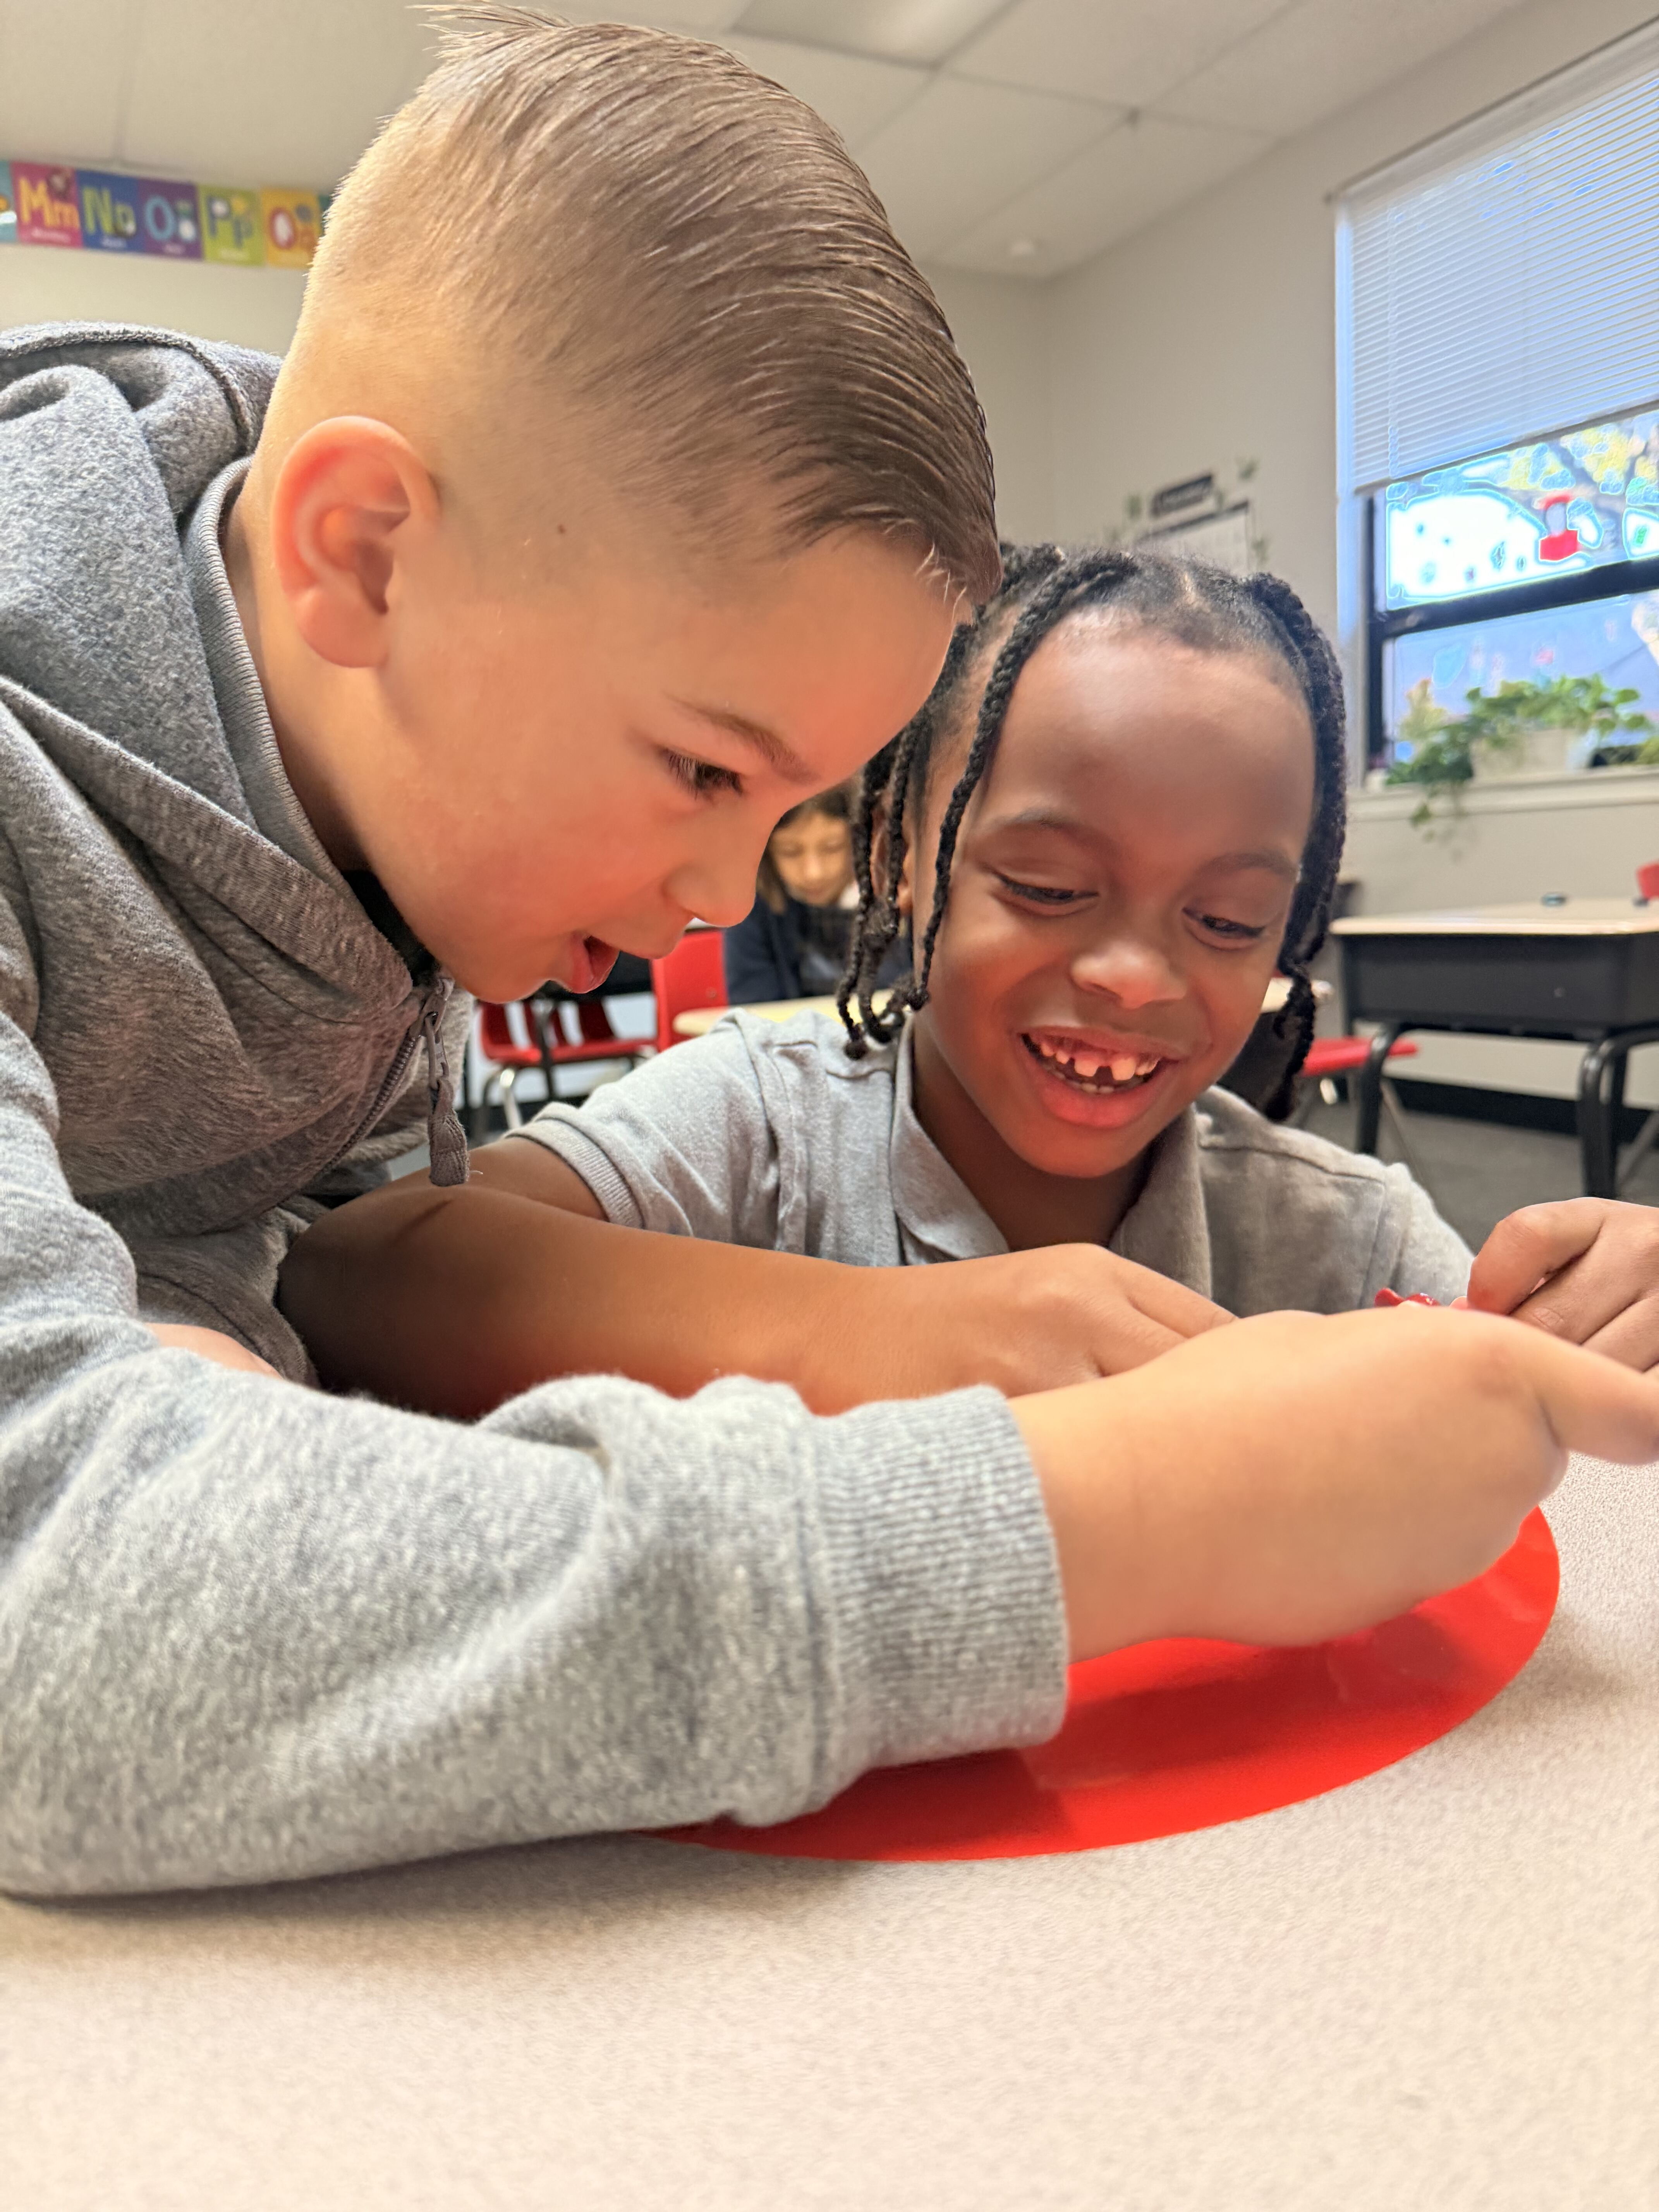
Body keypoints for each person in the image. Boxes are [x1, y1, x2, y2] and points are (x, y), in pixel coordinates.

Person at [5, 18, 1657, 1903]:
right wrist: (1106, 1512)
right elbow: (61, 1595)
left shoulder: (380, 816)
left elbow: (316, 1273)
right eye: (703, 765)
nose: (724, 894)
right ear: (364, 552)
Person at [296, 543, 1659, 1389]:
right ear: (899, 857)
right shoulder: (757, 1128)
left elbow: (1541, 1403)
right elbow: (360, 1272)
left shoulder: (1327, 1232)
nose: (1133, 974)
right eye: (1050, 888)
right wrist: (881, 1334)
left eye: (1230, 921)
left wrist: (1612, 1304)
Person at [722, 781, 910, 1003]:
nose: (814, 873)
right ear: (766, 852)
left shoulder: (899, 896)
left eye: (832, 847)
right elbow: (753, 1009)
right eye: (790, 852)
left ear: (862, 839)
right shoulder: (751, 909)